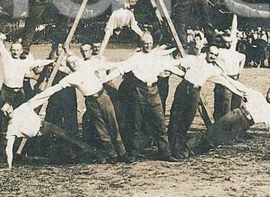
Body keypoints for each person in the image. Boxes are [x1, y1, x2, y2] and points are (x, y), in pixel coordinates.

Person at [106, 33, 182, 161]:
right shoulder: (136, 58)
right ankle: (133, 153)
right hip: (139, 91)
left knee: (160, 123)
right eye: (145, 43)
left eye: (150, 43)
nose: (148, 46)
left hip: (154, 91)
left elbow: (171, 68)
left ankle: (165, 152)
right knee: (136, 123)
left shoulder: (157, 57)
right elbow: (120, 69)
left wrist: (185, 75)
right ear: (141, 44)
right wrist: (105, 79)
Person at [168, 45, 252, 160]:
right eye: (211, 53)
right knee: (175, 118)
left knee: (187, 120)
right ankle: (168, 148)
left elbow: (226, 82)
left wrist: (239, 93)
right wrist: (181, 73)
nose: (212, 56)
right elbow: (176, 63)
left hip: (195, 92)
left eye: (215, 55)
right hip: (183, 89)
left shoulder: (213, 69)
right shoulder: (195, 59)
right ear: (206, 52)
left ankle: (177, 149)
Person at [48, 53, 129, 163]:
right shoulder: (71, 78)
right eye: (71, 63)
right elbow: (54, 88)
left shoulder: (87, 66)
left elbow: (105, 66)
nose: (74, 64)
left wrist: (123, 64)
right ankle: (112, 154)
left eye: (75, 61)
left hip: (103, 96)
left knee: (113, 124)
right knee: (101, 129)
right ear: (69, 67)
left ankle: (122, 153)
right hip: (91, 102)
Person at [0, 24, 54, 150]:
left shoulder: (25, 61)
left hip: (19, 94)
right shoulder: (6, 57)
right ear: (11, 50)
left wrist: (52, 61)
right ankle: (3, 152)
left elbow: (38, 63)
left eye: (17, 50)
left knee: (19, 120)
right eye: (13, 49)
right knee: (4, 123)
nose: (15, 52)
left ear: (21, 51)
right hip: (6, 93)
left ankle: (17, 150)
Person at [186, 83, 270, 156]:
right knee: (213, 130)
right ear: (267, 92)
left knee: (219, 140)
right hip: (237, 114)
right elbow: (241, 87)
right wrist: (228, 80)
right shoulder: (257, 95)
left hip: (243, 125)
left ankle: (195, 152)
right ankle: (187, 146)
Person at [2, 98, 102, 169]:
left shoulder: (22, 108)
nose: (7, 112)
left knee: (71, 139)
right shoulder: (11, 128)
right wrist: (9, 165)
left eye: (8, 109)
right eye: (5, 112)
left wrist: (51, 91)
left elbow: (40, 98)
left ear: (11, 107)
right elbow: (8, 148)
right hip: (41, 137)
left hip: (47, 126)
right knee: (61, 149)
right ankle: (84, 158)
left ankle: (98, 154)